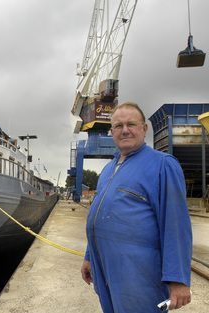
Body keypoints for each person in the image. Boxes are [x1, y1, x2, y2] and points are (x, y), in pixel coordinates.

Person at [80, 102, 193, 312]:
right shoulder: (107, 170)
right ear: (111, 131)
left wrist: (178, 279)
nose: (124, 130)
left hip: (139, 274)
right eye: (118, 125)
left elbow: (175, 225)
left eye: (131, 124)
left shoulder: (162, 165)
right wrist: (89, 258)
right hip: (105, 267)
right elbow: (100, 216)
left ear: (144, 128)